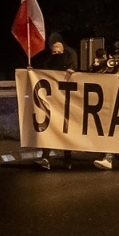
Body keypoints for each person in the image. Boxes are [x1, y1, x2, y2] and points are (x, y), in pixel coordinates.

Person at [34, 34, 77, 170]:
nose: (56, 52)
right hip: (51, 100)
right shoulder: (47, 62)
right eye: (54, 51)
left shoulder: (70, 62)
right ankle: (45, 157)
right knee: (48, 128)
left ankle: (67, 159)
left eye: (59, 50)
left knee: (66, 130)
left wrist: (72, 72)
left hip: (65, 101)